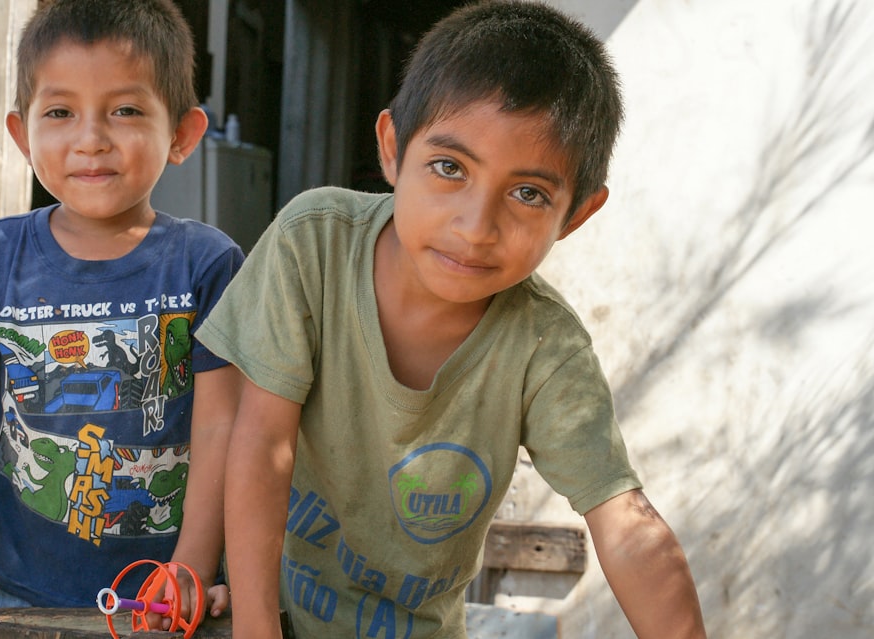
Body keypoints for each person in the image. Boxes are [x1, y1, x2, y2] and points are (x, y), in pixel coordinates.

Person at [197, 1, 708, 638]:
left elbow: (624, 521)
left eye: (529, 194)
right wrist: (254, 628)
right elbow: (261, 442)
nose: (475, 227)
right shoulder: (315, 244)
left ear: (575, 214)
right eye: (449, 168)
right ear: (391, 149)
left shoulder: (544, 346)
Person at [0, 1, 242, 637]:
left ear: (182, 133)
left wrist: (191, 565)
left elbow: (221, 427)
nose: (91, 137)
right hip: (22, 589)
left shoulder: (206, 263)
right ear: (22, 135)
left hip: (168, 600)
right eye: (60, 112)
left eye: (125, 110)